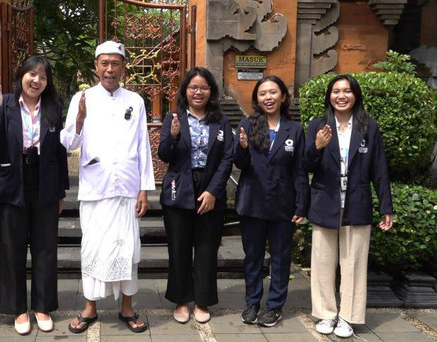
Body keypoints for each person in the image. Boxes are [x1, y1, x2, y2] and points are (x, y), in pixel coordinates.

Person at [60, 40, 155, 334]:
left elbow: (143, 146)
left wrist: (144, 189)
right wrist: (78, 121)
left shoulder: (135, 100)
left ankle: (127, 308)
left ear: (123, 67)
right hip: (95, 187)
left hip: (127, 187)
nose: (109, 69)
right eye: (104, 63)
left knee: (127, 248)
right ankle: (90, 308)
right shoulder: (82, 98)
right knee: (93, 247)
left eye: (115, 63)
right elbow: (67, 143)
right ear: (96, 67)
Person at [303, 74, 393, 338]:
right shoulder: (318, 125)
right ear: (329, 96)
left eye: (347, 91)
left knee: (353, 262)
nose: (341, 96)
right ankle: (326, 313)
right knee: (322, 262)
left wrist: (386, 206)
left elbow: (380, 168)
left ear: (356, 96)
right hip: (324, 202)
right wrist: (317, 147)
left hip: (356, 202)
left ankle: (348, 316)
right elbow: (306, 166)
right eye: (336, 91)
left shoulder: (368, 126)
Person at [0, 56, 69, 335]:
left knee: (45, 247)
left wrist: (61, 191)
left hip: (44, 182)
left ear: (48, 83)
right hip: (13, 180)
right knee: (12, 248)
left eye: (43, 77)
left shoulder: (53, 107)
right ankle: (18, 309)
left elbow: (59, 153)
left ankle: (43, 306)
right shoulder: (6, 104)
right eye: (32, 74)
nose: (36, 80)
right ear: (21, 75)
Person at [158, 67, 234, 324]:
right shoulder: (174, 117)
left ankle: (202, 300)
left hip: (210, 185)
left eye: (203, 87)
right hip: (179, 187)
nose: (198, 92)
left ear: (210, 91)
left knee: (206, 247)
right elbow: (165, 155)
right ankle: (181, 299)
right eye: (193, 88)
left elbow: (227, 158)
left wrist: (213, 190)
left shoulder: (220, 121)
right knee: (178, 247)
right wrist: (173, 136)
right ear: (185, 91)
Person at [234, 76, 309, 327]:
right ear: (257, 98)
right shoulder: (248, 124)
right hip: (252, 202)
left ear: (283, 97)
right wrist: (242, 148)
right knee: (253, 256)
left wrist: (302, 205)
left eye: (273, 92)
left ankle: (275, 305)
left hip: (283, 204)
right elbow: (241, 165)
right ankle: (252, 302)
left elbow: (299, 170)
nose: (268, 97)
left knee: (280, 257)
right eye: (263, 93)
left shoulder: (295, 130)